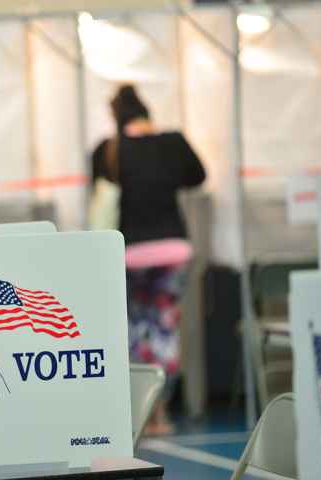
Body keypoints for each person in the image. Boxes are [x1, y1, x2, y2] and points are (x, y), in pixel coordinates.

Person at [92, 85, 206, 435]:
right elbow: (198, 177)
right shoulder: (173, 143)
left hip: (130, 255)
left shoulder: (108, 151)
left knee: (132, 331)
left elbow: (99, 197)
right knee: (164, 329)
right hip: (173, 250)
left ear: (115, 116)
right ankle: (161, 413)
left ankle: (140, 415)